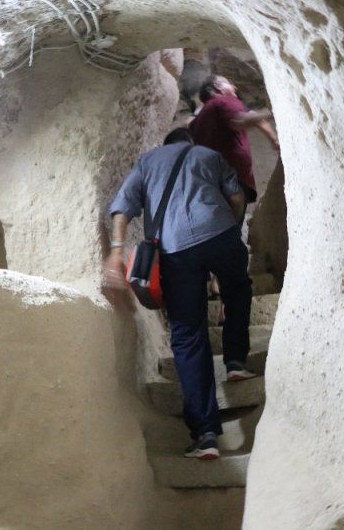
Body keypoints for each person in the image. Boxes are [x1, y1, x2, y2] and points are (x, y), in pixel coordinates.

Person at [102, 128, 256, 460]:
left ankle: (206, 434)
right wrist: (232, 227)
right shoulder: (209, 155)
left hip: (175, 251)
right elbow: (235, 196)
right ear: (188, 143)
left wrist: (117, 252)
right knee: (238, 289)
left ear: (167, 145)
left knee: (187, 333)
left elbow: (122, 208)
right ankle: (235, 361)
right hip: (219, 233)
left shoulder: (147, 162)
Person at [189, 75, 279, 218]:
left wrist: (273, 139)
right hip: (230, 178)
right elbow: (240, 120)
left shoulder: (198, 119)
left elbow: (253, 117)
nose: (234, 87)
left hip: (206, 182)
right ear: (218, 87)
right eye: (229, 83)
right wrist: (274, 111)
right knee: (230, 227)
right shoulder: (224, 101)